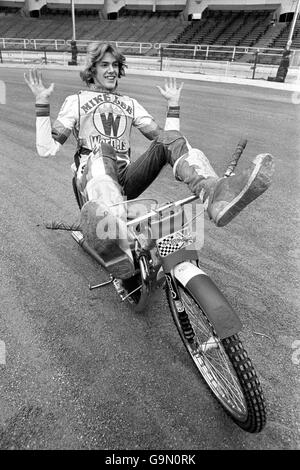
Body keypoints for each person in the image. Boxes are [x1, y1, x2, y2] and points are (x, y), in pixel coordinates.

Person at [24, 42, 274, 279]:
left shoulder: (129, 104)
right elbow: (47, 148)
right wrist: (41, 103)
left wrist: (173, 105)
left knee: (171, 138)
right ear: (92, 70)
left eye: (114, 65)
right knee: (103, 149)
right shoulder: (76, 101)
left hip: (123, 182)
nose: (111, 70)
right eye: (104, 65)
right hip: (92, 184)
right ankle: (116, 238)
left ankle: (214, 194)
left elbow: (164, 140)